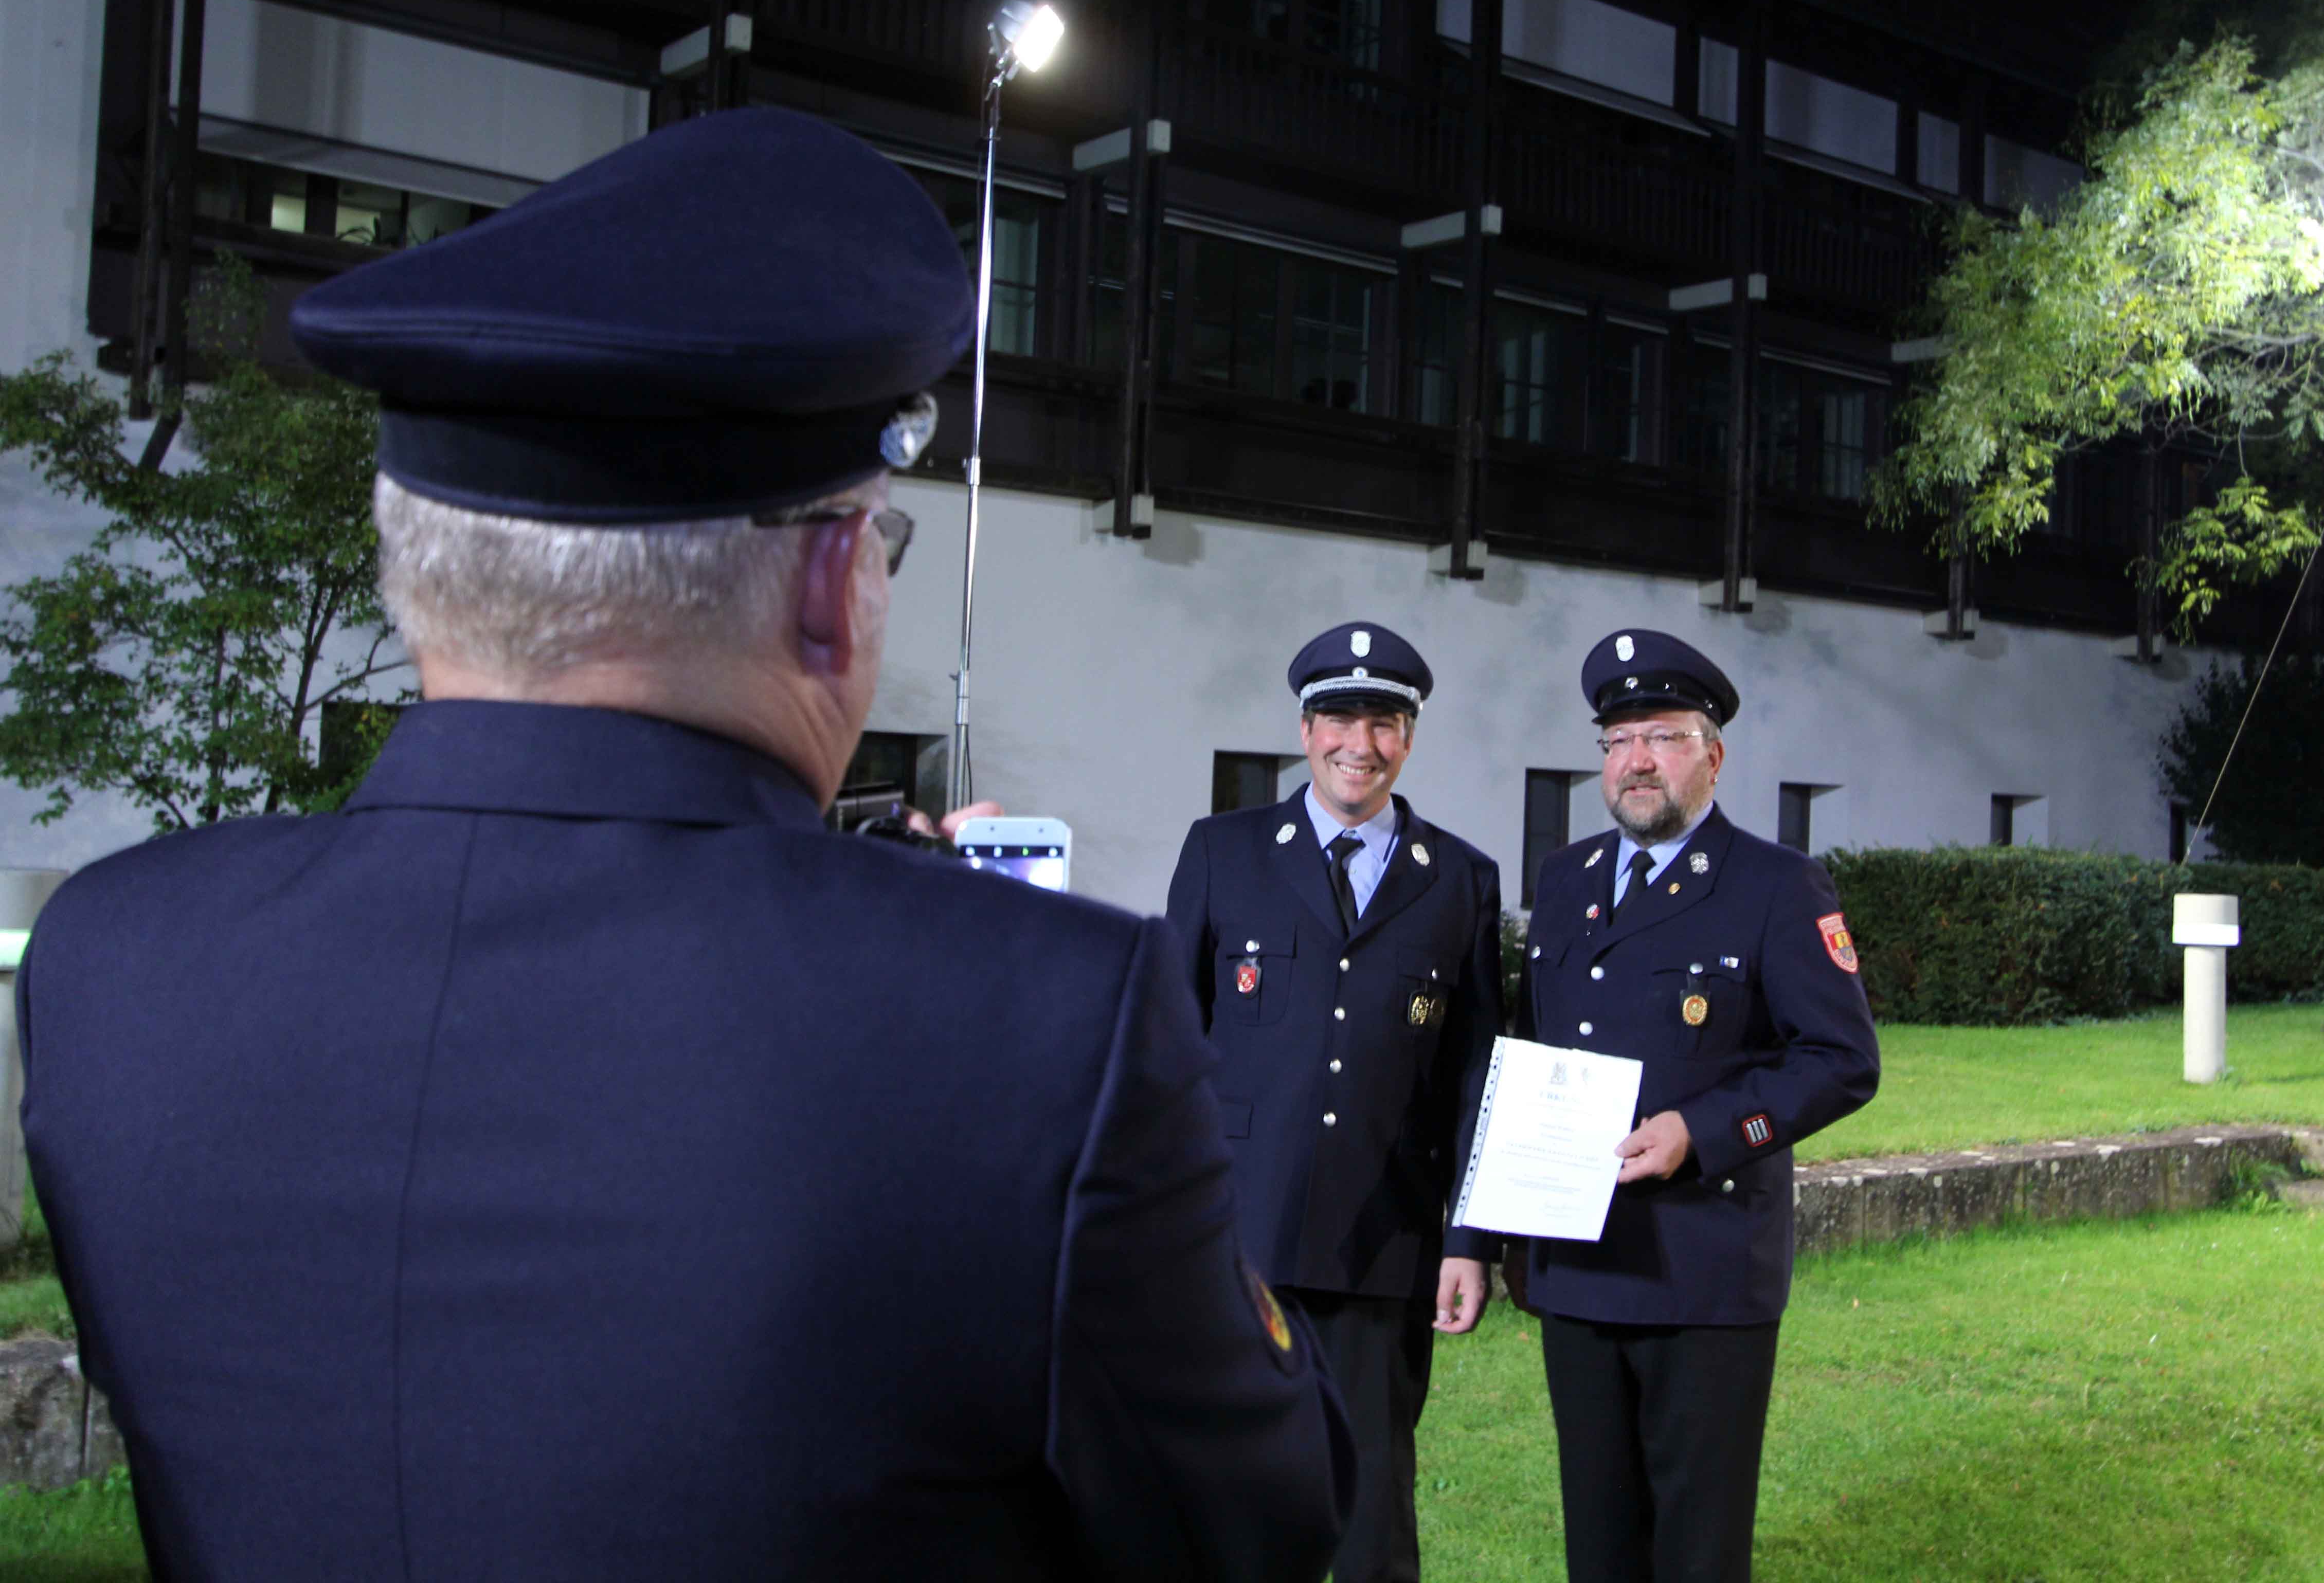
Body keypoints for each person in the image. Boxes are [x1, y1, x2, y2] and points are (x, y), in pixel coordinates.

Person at [15, 107, 1352, 1581]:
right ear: (834, 584)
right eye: (886, 543)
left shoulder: (111, 962)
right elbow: (1263, 1520)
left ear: (417, 572)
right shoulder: (1044, 1023)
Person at [1511, 628, 1879, 1583]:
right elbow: (1531, 1053)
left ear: (1713, 756)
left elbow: (1843, 1060)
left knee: (1698, 1552)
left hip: (1703, 1268)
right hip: (1577, 1261)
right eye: (1619, 740)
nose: (1637, 760)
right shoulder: (1564, 882)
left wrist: (1702, 1131)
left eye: (1664, 737)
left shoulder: (1776, 886)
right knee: (1599, 1544)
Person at [1163, 623, 1502, 1583]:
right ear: (1305, 731)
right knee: (1223, 1493)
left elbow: (1477, 1076)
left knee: (1368, 1511)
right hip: (1238, 1239)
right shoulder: (1223, 852)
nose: (1362, 743)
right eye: (1340, 719)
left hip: (1383, 1240)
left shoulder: (1461, 880)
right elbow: (1167, 1047)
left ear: (1410, 737)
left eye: (1384, 722)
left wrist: (1470, 1240)